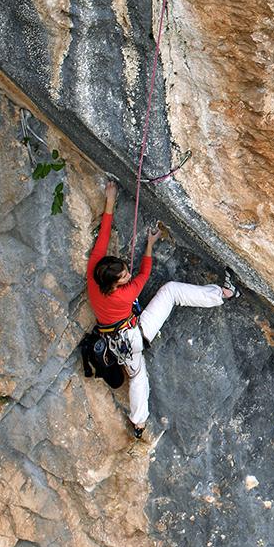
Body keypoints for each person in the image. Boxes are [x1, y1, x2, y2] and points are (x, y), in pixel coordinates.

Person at [87, 181, 234, 438]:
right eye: (123, 276)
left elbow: (103, 236)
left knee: (137, 377)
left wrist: (109, 200)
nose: (128, 274)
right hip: (136, 335)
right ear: (114, 284)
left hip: (114, 342)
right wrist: (150, 245)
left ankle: (138, 423)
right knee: (171, 290)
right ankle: (222, 294)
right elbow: (144, 274)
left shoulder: (94, 275)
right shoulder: (124, 294)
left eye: (125, 270)